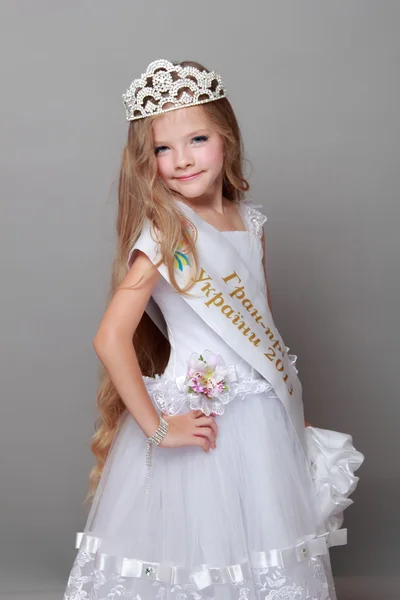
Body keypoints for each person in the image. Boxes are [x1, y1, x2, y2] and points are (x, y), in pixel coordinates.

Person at [63, 59, 364, 600]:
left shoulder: (250, 223)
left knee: (261, 551)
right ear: (145, 159)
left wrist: (288, 400)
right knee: (197, 555)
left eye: (197, 139)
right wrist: (158, 428)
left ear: (226, 138)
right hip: (202, 420)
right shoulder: (165, 231)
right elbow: (110, 338)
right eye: (162, 148)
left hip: (260, 418)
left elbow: (263, 324)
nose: (181, 160)